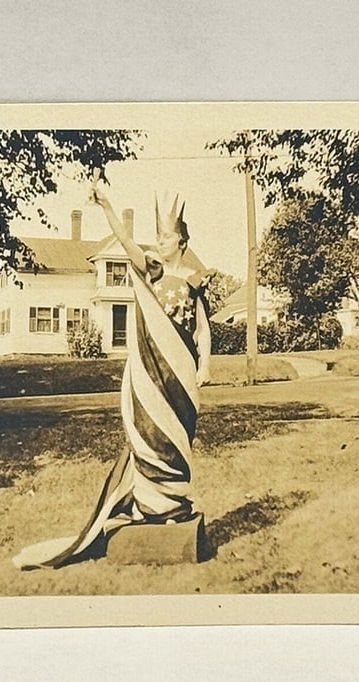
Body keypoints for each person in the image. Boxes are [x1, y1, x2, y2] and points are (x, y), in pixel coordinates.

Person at [13, 178, 214, 569]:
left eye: (166, 237)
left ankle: (174, 503)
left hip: (181, 372)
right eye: (158, 236)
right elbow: (125, 242)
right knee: (150, 435)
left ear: (182, 242)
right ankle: (151, 506)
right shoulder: (152, 271)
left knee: (177, 438)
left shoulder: (193, 280)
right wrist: (107, 206)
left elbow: (202, 329)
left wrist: (205, 364)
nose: (160, 242)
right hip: (149, 371)